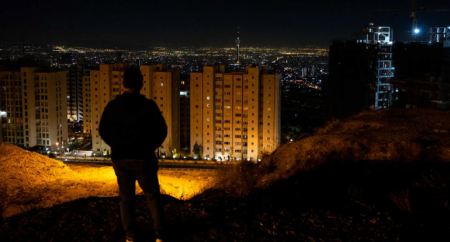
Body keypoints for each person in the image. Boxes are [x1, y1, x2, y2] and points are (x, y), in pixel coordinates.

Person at [99, 69, 167, 242]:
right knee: (152, 197)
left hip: (120, 159)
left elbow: (103, 130)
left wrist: (116, 145)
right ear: (141, 84)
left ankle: (130, 236)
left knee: (126, 198)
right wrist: (150, 147)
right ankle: (160, 235)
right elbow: (162, 130)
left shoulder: (113, 106)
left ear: (123, 84)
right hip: (143, 158)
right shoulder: (148, 106)